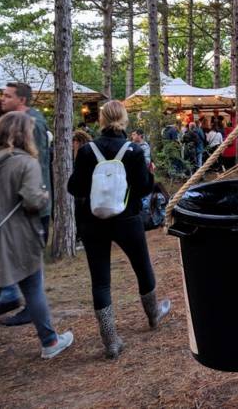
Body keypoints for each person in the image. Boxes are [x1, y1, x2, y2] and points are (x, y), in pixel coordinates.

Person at [0, 112, 74, 389]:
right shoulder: (24, 162)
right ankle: (50, 342)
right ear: (24, 135)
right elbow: (33, 201)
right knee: (33, 289)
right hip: (16, 241)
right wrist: (43, 195)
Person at [67, 100, 171, 359]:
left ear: (101, 120)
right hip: (127, 219)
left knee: (101, 280)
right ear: (124, 120)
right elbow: (144, 188)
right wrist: (147, 175)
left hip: (93, 221)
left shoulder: (87, 151)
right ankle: (153, 314)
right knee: (142, 267)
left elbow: (74, 188)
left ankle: (110, 341)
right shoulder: (133, 150)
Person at [0, 82, 53, 326]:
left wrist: (32, 200)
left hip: (32, 204)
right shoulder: (18, 122)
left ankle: (25, 304)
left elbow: (35, 164)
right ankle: (10, 295)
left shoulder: (33, 124)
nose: (2, 99)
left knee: (29, 260)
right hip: (18, 203)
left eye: (7, 96)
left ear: (21, 100)